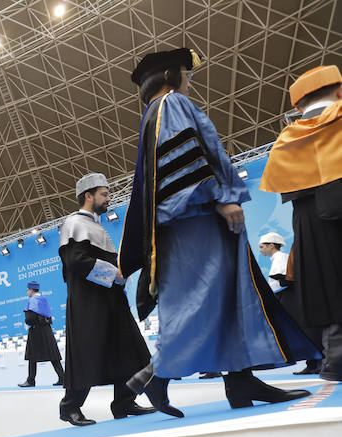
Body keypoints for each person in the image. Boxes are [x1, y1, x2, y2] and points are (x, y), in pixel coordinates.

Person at [118, 48, 318, 417]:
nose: (189, 81)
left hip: (186, 218)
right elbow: (188, 158)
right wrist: (220, 198)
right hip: (197, 215)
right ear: (167, 76)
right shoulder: (172, 103)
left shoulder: (154, 112)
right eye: (185, 73)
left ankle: (241, 379)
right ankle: (157, 376)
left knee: (228, 296)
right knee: (205, 297)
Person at [260, 64, 342, 382]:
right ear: (339, 91)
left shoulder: (287, 140)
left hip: (309, 221)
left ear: (297, 106)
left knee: (327, 285)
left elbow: (286, 188)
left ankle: (335, 358)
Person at [57, 174, 158, 426]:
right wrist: (114, 273)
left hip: (111, 298)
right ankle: (70, 407)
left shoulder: (98, 226)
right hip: (88, 302)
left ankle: (124, 402)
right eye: (104, 193)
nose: (108, 198)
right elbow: (76, 262)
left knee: (127, 347)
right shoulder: (73, 223)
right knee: (87, 351)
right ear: (88, 195)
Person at [259, 234, 323, 376]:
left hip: (288, 296)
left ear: (271, 245)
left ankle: (315, 363)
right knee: (301, 330)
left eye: (262, 246)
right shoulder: (279, 258)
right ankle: (313, 363)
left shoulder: (281, 258)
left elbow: (285, 279)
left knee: (303, 329)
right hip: (285, 296)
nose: (260, 250)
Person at [18, 281, 65, 387]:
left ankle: (31, 380)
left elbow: (30, 319)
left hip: (36, 331)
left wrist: (27, 322)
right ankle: (63, 377)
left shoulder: (32, 300)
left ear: (31, 289)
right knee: (53, 355)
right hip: (46, 330)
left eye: (27, 289)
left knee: (32, 356)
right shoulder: (44, 300)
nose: (27, 291)